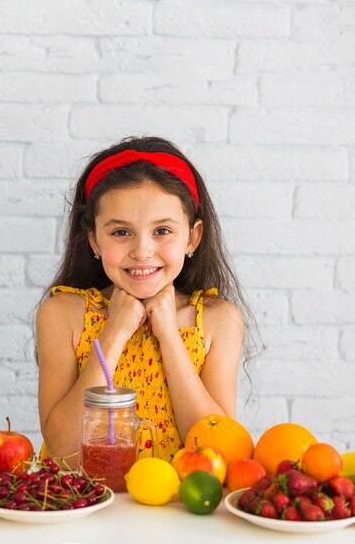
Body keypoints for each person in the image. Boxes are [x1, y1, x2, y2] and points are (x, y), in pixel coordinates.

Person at [35, 136, 252, 463]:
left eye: (162, 231)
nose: (141, 251)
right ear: (94, 240)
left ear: (192, 237)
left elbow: (218, 453)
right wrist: (114, 332)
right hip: (88, 508)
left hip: (177, 510)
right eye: (120, 232)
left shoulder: (218, 320)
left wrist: (168, 336)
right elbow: (63, 449)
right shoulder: (62, 314)